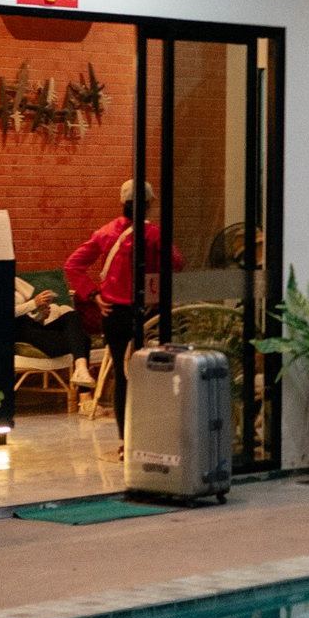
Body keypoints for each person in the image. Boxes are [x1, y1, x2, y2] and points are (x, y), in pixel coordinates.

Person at [64, 180, 184, 437]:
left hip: (113, 314)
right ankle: (154, 435)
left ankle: (124, 440)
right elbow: (176, 263)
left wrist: (94, 294)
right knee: (157, 372)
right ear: (150, 204)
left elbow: (72, 266)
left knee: (122, 375)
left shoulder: (105, 233)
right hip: (150, 313)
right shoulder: (154, 235)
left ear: (122, 203)